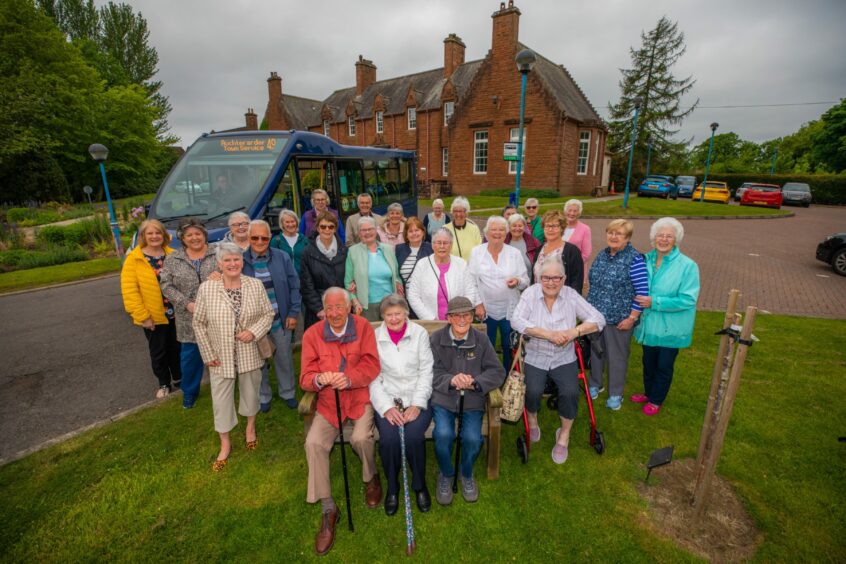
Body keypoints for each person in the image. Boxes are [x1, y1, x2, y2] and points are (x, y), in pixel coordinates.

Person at [300, 287, 382, 556]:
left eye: (340, 307)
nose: (335, 313)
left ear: (349, 308)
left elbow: (372, 365)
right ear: (324, 310)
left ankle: (371, 478)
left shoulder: (363, 327)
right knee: (313, 444)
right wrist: (320, 379)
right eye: (330, 308)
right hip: (327, 403)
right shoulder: (313, 334)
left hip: (359, 397)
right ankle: (328, 508)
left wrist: (348, 379)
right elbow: (305, 377)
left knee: (360, 438)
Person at [511, 261, 605, 464]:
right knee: (533, 391)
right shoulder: (530, 294)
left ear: (563, 279)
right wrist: (547, 334)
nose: (551, 282)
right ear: (539, 279)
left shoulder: (570, 295)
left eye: (556, 278)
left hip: (564, 357)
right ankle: (533, 420)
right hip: (536, 354)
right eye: (546, 278)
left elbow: (598, 318)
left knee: (571, 393)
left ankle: (563, 434)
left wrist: (575, 331)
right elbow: (516, 320)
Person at [192, 242, 274, 472]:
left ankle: (250, 429)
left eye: (236, 259)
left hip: (249, 353)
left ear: (242, 261)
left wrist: (254, 332)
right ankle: (225, 444)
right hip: (220, 356)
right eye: (227, 260)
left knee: (250, 393)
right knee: (221, 401)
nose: (232, 263)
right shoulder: (207, 289)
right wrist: (208, 354)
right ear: (219, 263)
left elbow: (268, 314)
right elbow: (198, 322)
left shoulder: (255, 285)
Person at [430, 296, 506, 505]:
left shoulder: (481, 340)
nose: (462, 320)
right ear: (449, 318)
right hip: (444, 399)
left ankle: (466, 472)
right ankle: (446, 473)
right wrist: (451, 379)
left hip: (472, 399)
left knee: (473, 439)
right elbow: (430, 371)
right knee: (443, 434)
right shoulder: (436, 339)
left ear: (473, 317)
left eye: (467, 315)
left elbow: (498, 370)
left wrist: (476, 383)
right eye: (457, 316)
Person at [369, 294, 434, 515]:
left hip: (417, 396)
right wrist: (386, 407)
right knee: (389, 440)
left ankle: (419, 485)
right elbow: (373, 377)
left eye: (398, 313)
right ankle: (393, 488)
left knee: (414, 436)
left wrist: (417, 404)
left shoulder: (419, 334)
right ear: (382, 317)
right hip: (389, 399)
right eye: (389, 315)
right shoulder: (375, 337)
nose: (394, 318)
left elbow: (426, 371)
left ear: (406, 313)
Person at [632, 218, 700, 416]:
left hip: (672, 327)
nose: (663, 239)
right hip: (648, 325)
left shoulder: (688, 266)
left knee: (663, 365)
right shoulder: (644, 259)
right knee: (648, 362)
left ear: (676, 239)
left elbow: (688, 299)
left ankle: (656, 399)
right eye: (660, 235)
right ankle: (648, 392)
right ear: (653, 238)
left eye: (668, 236)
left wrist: (656, 302)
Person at [586, 219, 649, 411]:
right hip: (596, 317)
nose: (613, 237)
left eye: (619, 234)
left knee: (616, 357)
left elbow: (642, 292)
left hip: (619, 319)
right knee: (596, 353)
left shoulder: (635, 259)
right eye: (611, 232)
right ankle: (596, 383)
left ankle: (615, 394)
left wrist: (632, 318)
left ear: (627, 238)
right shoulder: (602, 254)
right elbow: (593, 282)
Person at [242, 220, 301, 412]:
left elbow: (294, 285)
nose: (260, 241)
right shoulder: (240, 260)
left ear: (270, 237)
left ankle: (288, 392)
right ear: (248, 238)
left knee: (284, 358)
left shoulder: (282, 257)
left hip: (279, 320)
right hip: (254, 324)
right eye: (255, 237)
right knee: (259, 362)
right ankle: (263, 395)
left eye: (264, 237)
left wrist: (293, 312)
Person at [161, 218, 219, 409]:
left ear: (204, 235)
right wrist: (186, 303)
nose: (195, 238)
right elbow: (166, 286)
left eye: (198, 234)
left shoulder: (217, 253)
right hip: (188, 319)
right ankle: (190, 393)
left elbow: (233, 271)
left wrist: (221, 277)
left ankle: (221, 389)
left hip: (216, 315)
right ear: (182, 238)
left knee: (220, 354)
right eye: (189, 235)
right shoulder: (173, 259)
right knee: (190, 358)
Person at [120, 219, 180, 399]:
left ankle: (179, 377)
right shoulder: (134, 259)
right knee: (159, 351)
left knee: (177, 347)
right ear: (143, 236)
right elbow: (130, 291)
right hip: (153, 316)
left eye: (158, 233)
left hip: (176, 312)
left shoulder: (174, 255)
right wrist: (143, 316)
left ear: (164, 235)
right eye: (150, 233)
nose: (154, 236)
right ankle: (164, 383)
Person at [468, 216, 529, 370]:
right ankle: (489, 377)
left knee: (510, 346)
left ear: (506, 233)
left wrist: (517, 281)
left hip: (509, 310)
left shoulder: (514, 253)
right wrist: (478, 304)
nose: (497, 233)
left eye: (501, 229)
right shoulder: (477, 252)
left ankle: (509, 379)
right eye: (493, 229)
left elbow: (525, 280)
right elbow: (471, 281)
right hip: (486, 310)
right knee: (486, 347)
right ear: (487, 233)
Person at [406, 228, 480, 321]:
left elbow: (470, 292)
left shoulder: (461, 264)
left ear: (451, 245)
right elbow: (413, 295)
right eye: (438, 242)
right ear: (432, 245)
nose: (442, 246)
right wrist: (429, 318)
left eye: (445, 243)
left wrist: (460, 315)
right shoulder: (422, 264)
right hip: (431, 322)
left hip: (457, 321)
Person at [345, 216, 402, 321]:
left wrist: (399, 293)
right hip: (366, 307)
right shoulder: (353, 252)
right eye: (363, 230)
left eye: (370, 229)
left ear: (376, 230)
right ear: (359, 233)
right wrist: (355, 302)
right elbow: (348, 282)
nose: (367, 232)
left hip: (390, 303)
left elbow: (396, 276)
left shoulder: (388, 249)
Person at [300, 212, 348, 329]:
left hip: (340, 306)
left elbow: (348, 278)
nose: (327, 230)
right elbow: (307, 285)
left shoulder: (344, 251)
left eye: (331, 226)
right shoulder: (308, 252)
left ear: (335, 228)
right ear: (317, 228)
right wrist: (319, 309)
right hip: (318, 309)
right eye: (323, 226)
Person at [530, 210, 584, 294]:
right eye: (547, 226)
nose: (550, 229)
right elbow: (534, 278)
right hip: (538, 301)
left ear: (562, 228)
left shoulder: (572, 251)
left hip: (562, 301)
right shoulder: (539, 250)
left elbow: (576, 283)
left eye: (555, 226)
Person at [394, 216, 433, 296]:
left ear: (422, 232)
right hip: (406, 300)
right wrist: (396, 281)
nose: (414, 233)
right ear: (406, 235)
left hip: (427, 297)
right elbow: (395, 272)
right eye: (410, 231)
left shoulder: (431, 248)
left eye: (417, 230)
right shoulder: (399, 249)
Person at [443, 196, 482, 262]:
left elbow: (479, 250)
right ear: (452, 212)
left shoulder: (474, 229)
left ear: (466, 213)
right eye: (455, 211)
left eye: (461, 211)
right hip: (452, 267)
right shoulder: (445, 229)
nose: (458, 214)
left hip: (470, 268)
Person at [271, 209, 308, 274]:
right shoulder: (276, 241)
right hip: (284, 279)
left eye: (292, 221)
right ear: (282, 224)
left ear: (297, 222)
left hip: (302, 280)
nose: (290, 225)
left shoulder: (305, 240)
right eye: (287, 222)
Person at [562, 199, 592, 265]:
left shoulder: (585, 229)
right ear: (565, 211)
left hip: (576, 268)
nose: (572, 213)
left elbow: (586, 254)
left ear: (579, 213)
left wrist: (569, 264)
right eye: (569, 210)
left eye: (575, 211)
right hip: (557, 268)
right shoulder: (559, 226)